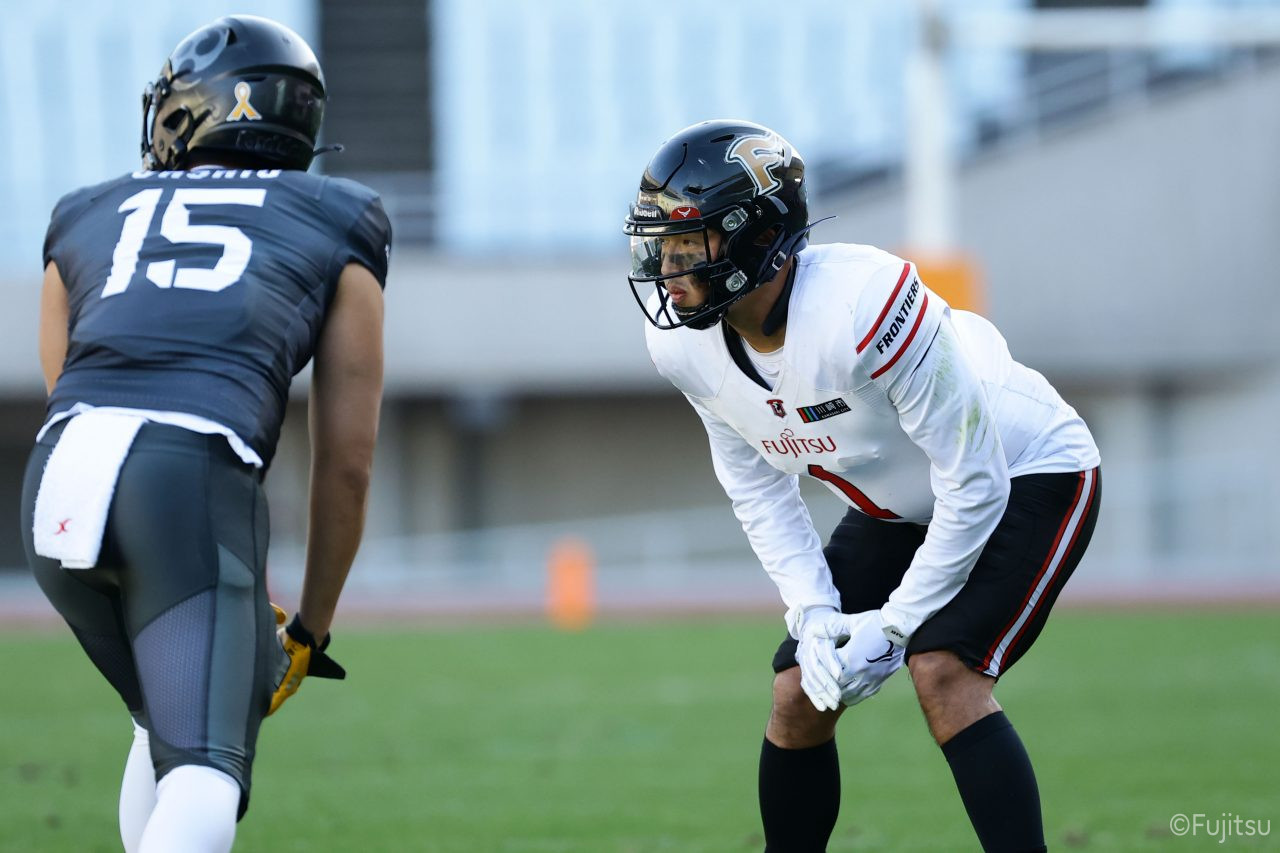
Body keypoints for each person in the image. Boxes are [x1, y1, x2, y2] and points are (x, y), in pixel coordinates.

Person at [625, 119, 1101, 852]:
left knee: (943, 671)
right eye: (663, 246)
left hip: (1025, 469)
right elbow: (755, 485)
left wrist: (896, 625)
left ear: (760, 237)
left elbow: (974, 481)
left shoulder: (862, 305)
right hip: (904, 501)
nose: (669, 266)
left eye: (690, 244)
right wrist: (813, 609)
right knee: (798, 692)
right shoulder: (682, 346)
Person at [20, 15, 390, 853]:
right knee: (204, 771)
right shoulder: (341, 213)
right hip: (184, 474)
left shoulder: (84, 210)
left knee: (164, 719)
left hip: (59, 481)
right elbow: (348, 463)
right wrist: (310, 629)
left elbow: (66, 387)